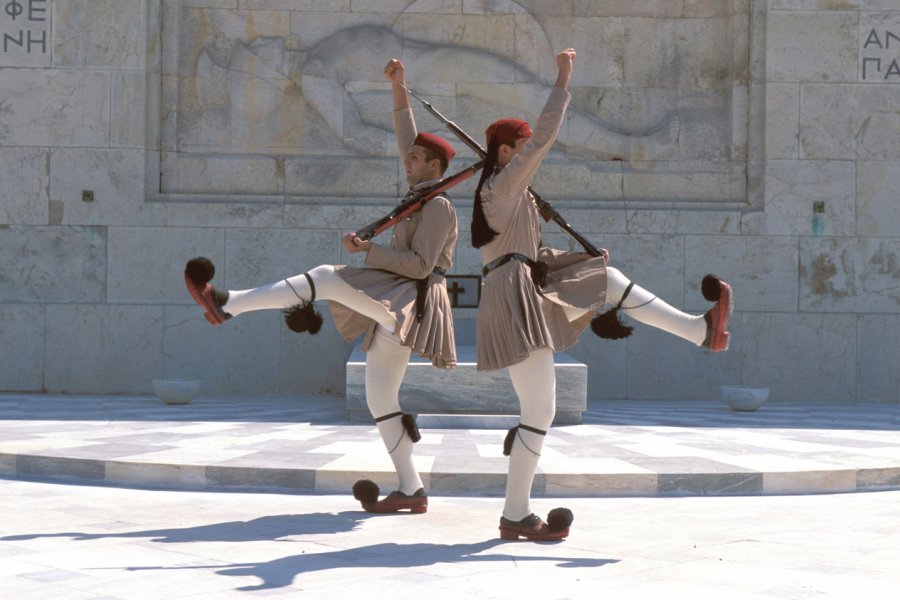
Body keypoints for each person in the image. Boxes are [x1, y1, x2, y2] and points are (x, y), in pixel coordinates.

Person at [471, 48, 732, 541]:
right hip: (512, 298)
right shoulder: (500, 188)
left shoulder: (510, 195)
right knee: (537, 412)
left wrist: (578, 261)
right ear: (506, 152)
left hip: (522, 285)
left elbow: (528, 251)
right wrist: (563, 79)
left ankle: (701, 331)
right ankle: (514, 515)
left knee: (602, 285)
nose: (530, 154)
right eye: (520, 147)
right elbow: (544, 136)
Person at [183, 58, 460, 515]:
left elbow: (419, 265)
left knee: (328, 277)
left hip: (414, 299)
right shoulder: (420, 196)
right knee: (380, 399)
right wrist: (399, 88)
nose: (405, 162)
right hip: (400, 301)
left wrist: (367, 252)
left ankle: (228, 304)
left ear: (434, 165)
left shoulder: (438, 208)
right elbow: (405, 135)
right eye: (407, 156)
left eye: (414, 159)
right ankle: (412, 489)